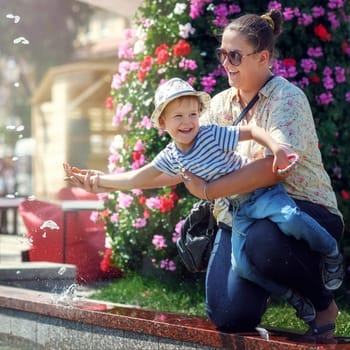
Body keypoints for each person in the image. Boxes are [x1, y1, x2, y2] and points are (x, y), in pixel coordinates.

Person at [64, 9, 344, 342]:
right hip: (242, 216)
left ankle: (322, 302)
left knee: (263, 241)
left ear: (263, 57)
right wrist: (100, 181)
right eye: (223, 54)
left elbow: (274, 168)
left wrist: (209, 190)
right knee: (227, 315)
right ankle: (277, 280)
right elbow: (171, 167)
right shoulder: (219, 105)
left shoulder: (287, 98)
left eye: (235, 55)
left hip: (303, 209)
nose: (226, 63)